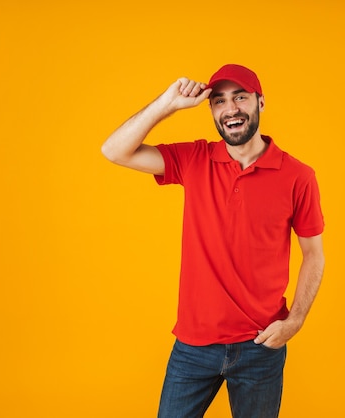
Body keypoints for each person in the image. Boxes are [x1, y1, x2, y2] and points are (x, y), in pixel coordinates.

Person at [101, 64, 325, 418]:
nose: (230, 108)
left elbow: (313, 254)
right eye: (219, 101)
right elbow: (114, 151)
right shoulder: (194, 159)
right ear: (211, 110)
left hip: (260, 346)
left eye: (240, 97)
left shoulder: (298, 176)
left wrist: (294, 321)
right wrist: (166, 105)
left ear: (260, 103)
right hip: (193, 345)